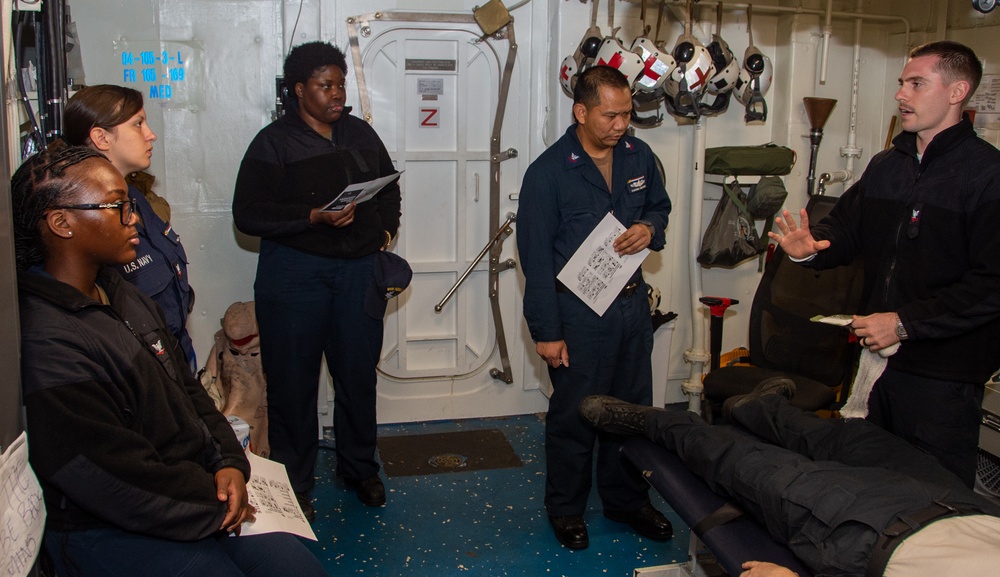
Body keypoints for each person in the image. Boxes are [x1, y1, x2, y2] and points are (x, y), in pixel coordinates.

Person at [14, 146, 328, 577]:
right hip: (109, 524)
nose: (135, 219)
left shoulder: (123, 295)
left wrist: (230, 464)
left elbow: (191, 394)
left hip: (196, 490)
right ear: (61, 222)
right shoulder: (46, 339)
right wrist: (210, 503)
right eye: (116, 207)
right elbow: (104, 475)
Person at [769, 40, 1000, 487]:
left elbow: (992, 285)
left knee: (934, 500)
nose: (901, 94)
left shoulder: (987, 176)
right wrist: (814, 247)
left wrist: (904, 323)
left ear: (957, 92)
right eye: (900, 83)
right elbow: (846, 231)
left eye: (916, 83)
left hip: (942, 380)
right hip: (877, 365)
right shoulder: (887, 165)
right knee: (865, 489)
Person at [579, 382, 1000, 577]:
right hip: (961, 503)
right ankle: (758, 407)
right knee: (854, 437)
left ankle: (655, 422)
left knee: (744, 463)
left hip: (869, 535)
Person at [232, 41, 402, 519]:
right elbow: (247, 214)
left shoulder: (361, 134)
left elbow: (389, 190)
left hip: (357, 275)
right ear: (299, 89)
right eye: (325, 85)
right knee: (293, 383)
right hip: (294, 277)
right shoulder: (273, 143)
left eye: (340, 84)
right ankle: (295, 480)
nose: (335, 93)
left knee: (355, 375)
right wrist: (310, 217)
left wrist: (384, 232)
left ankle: (359, 468)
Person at [516, 65, 673, 549]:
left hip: (630, 309)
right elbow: (535, 261)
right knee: (576, 417)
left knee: (630, 414)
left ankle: (627, 501)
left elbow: (659, 209)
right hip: (578, 315)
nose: (621, 124)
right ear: (580, 111)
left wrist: (650, 229)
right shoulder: (547, 174)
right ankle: (565, 509)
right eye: (610, 115)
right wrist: (546, 332)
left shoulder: (639, 155)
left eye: (627, 114)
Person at [61, 84, 197, 372]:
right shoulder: (87, 217)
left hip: (171, 355)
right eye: (138, 124)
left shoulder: (136, 199)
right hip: (139, 367)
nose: (151, 134)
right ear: (101, 137)